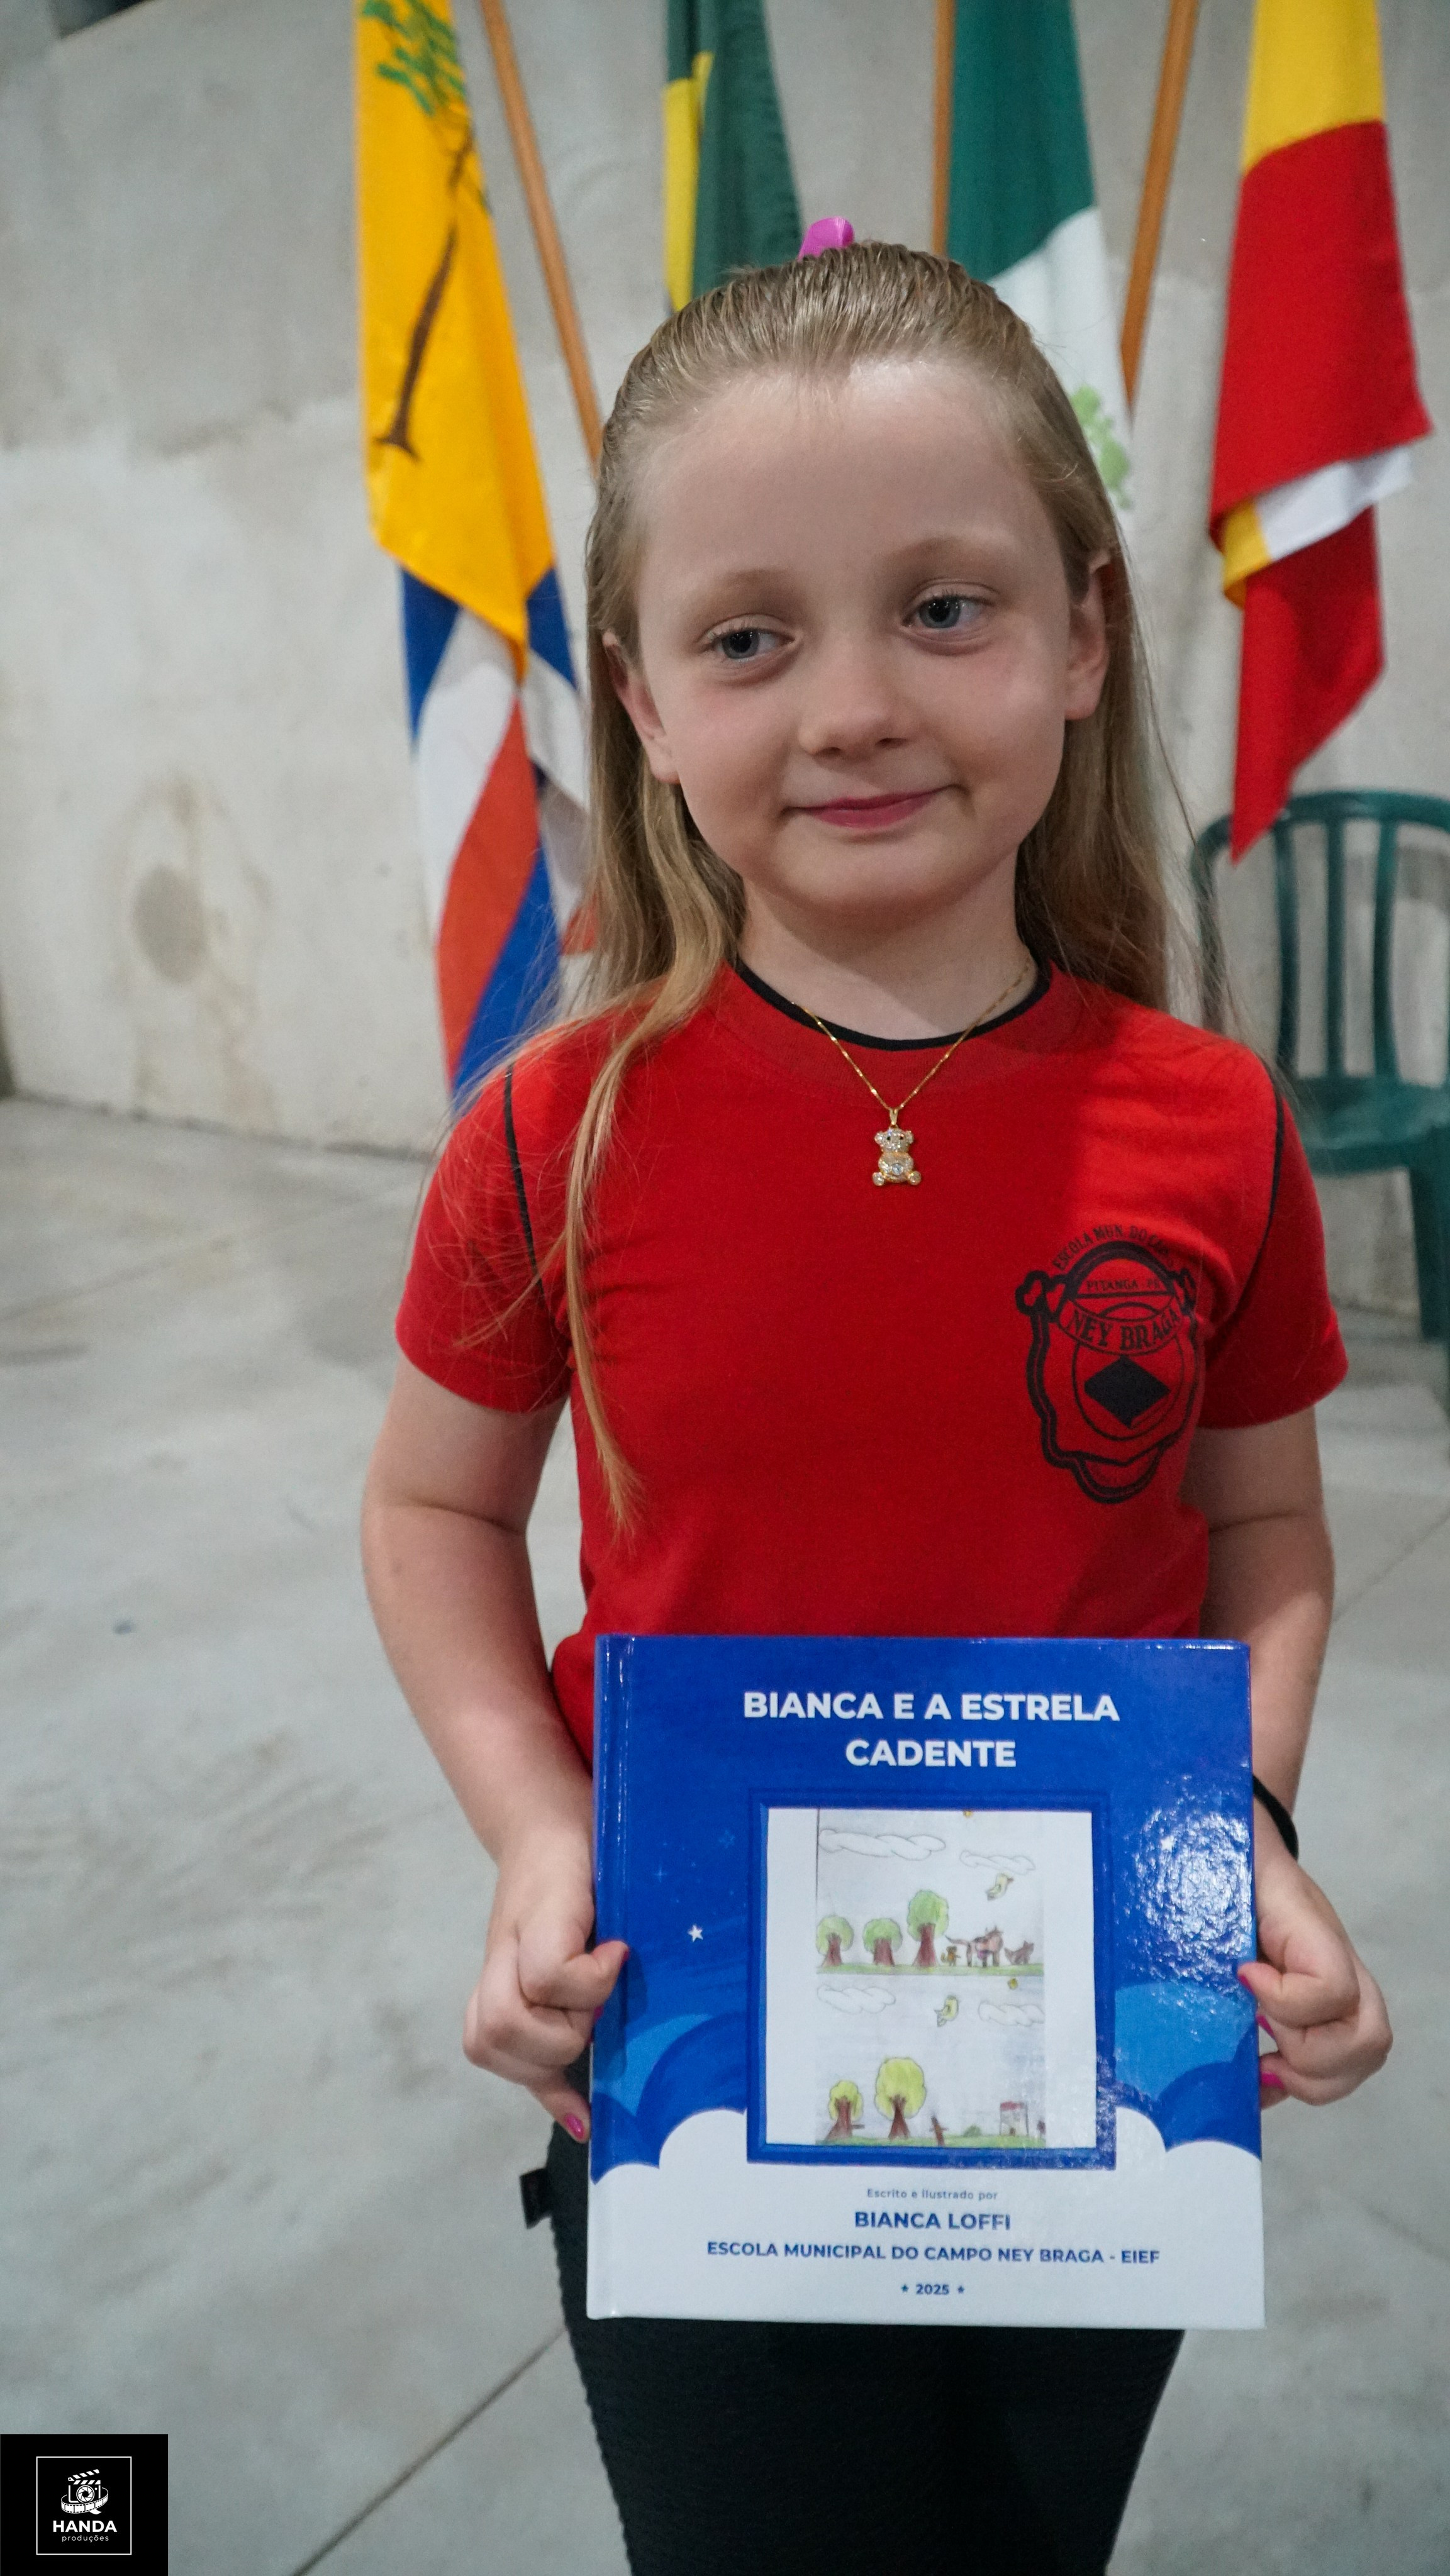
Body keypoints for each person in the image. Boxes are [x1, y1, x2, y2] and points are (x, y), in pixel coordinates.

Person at [362, 242, 1391, 2575]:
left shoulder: (1209, 1128)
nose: (853, 704)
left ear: (1086, 634)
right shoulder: (554, 1129)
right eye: (749, 635)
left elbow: (1266, 1543)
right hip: (695, 2050)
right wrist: (536, 1832)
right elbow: (433, 1515)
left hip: (1091, 2085)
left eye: (945, 606)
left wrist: (1231, 1838)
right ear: (633, 695)